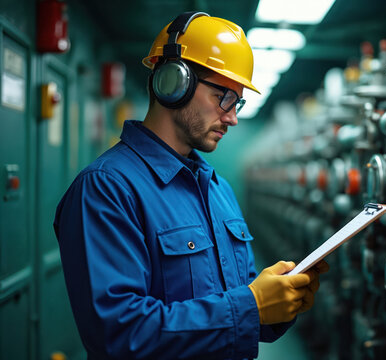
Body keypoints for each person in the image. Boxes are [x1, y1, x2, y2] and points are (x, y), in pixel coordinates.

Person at [53, 11, 328, 360]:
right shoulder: (107, 189)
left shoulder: (218, 190)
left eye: (237, 101)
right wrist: (252, 305)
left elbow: (238, 311)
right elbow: (119, 335)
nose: (233, 116)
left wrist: (279, 302)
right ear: (173, 82)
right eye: (223, 97)